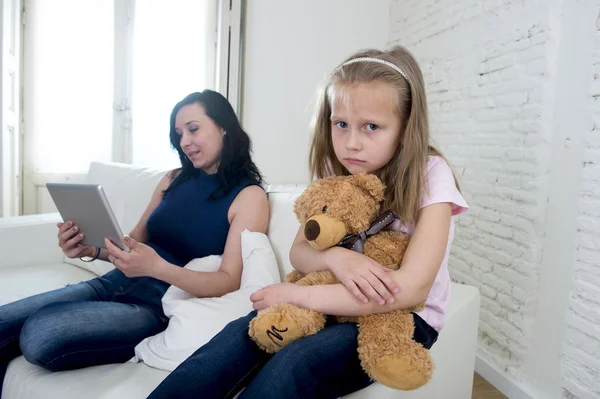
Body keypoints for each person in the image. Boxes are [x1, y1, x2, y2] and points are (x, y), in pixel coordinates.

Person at [147, 45, 469, 399]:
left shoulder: (431, 174)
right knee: (232, 341)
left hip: (400, 317)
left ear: (406, 127)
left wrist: (301, 295)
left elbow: (410, 290)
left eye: (371, 127)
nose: (351, 143)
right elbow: (301, 251)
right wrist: (337, 258)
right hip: (331, 299)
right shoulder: (339, 169)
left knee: (294, 363)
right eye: (341, 124)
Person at [0, 90, 269, 396]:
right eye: (179, 134)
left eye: (193, 129)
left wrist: (158, 268)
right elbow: (132, 243)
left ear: (223, 127)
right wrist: (91, 250)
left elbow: (227, 281)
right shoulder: (173, 179)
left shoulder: (249, 197)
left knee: (40, 336)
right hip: (111, 283)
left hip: (151, 308)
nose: (184, 142)